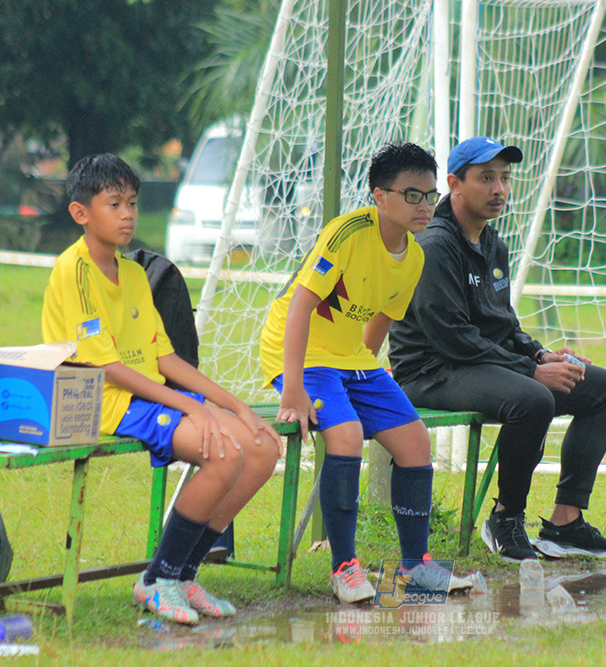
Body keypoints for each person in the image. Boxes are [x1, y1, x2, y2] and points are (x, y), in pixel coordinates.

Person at [42, 154, 281, 625]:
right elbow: (105, 366)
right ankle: (157, 578)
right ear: (81, 213)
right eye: (114, 204)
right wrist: (193, 411)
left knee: (260, 447)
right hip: (98, 403)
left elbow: (165, 359)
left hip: (148, 396)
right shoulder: (74, 271)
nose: (128, 214)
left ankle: (183, 576)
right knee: (224, 453)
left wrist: (230, 404)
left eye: (132, 202)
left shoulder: (132, 273)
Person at [389, 136, 606, 562]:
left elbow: (501, 323)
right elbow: (452, 337)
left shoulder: (492, 243)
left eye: (504, 178)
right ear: (455, 184)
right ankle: (505, 518)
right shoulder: (435, 245)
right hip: (429, 373)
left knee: (604, 388)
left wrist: (541, 355)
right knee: (532, 399)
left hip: (478, 364)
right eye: (485, 178)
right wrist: (531, 372)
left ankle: (565, 524)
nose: (498, 189)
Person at [260, 142, 472, 603]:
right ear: (380, 196)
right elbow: (300, 304)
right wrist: (293, 388)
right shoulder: (348, 232)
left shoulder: (415, 255)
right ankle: (345, 569)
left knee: (416, 442)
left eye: (430, 195)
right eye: (411, 194)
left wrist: (362, 381)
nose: (424, 205)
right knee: (347, 435)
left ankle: (415, 567)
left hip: (351, 358)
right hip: (298, 352)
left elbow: (380, 321)